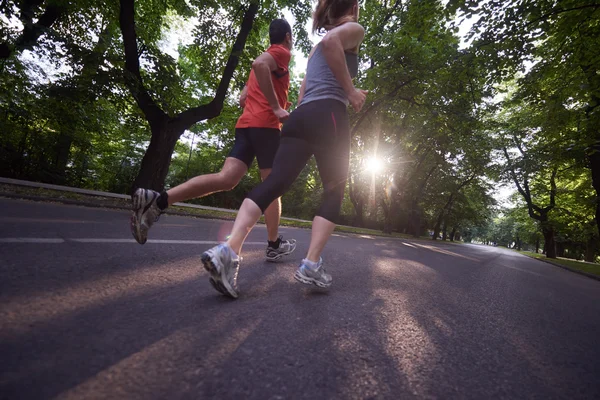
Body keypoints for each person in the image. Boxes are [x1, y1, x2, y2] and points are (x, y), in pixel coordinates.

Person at [201, 0, 367, 299]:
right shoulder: (352, 29)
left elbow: (304, 88)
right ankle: (311, 264)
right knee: (333, 191)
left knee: (275, 182)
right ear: (352, 6)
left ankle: (228, 250)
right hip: (329, 114)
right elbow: (332, 43)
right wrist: (351, 90)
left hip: (301, 117)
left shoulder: (314, 50)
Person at [130, 19, 297, 263]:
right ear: (288, 37)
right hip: (266, 126)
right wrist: (275, 107)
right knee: (272, 186)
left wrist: (273, 99)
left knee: (226, 179)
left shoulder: (262, 66)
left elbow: (243, 97)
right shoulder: (280, 52)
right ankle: (273, 243)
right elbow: (260, 64)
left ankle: (158, 200)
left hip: (246, 126)